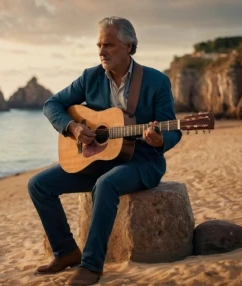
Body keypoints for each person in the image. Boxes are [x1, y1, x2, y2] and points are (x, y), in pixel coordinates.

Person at [28, 16, 182, 286]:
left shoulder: (156, 81)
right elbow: (52, 105)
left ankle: (91, 266)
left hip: (142, 162)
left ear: (129, 47)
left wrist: (159, 140)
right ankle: (66, 252)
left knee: (106, 184)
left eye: (109, 44)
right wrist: (73, 128)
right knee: (38, 184)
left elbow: (173, 129)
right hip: (98, 159)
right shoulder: (91, 77)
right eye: (99, 44)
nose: (101, 51)